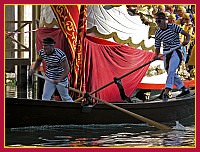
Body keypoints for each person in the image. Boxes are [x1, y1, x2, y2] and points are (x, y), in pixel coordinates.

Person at [154, 12, 191, 101]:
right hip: (167, 53)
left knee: (171, 70)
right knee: (170, 72)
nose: (158, 23)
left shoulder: (173, 27)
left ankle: (167, 92)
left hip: (176, 50)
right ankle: (184, 89)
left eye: (160, 21)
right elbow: (157, 46)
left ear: (164, 20)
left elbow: (187, 35)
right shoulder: (158, 33)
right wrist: (156, 56)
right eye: (157, 21)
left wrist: (187, 41)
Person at [29, 37, 73, 102]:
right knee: (45, 97)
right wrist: (33, 69)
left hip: (61, 79)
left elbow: (67, 69)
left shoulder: (60, 55)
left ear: (52, 46)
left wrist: (59, 79)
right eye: (43, 46)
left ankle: (72, 109)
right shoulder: (42, 52)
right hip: (49, 78)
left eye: (46, 46)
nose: (44, 48)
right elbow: (38, 61)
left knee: (65, 97)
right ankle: (45, 110)